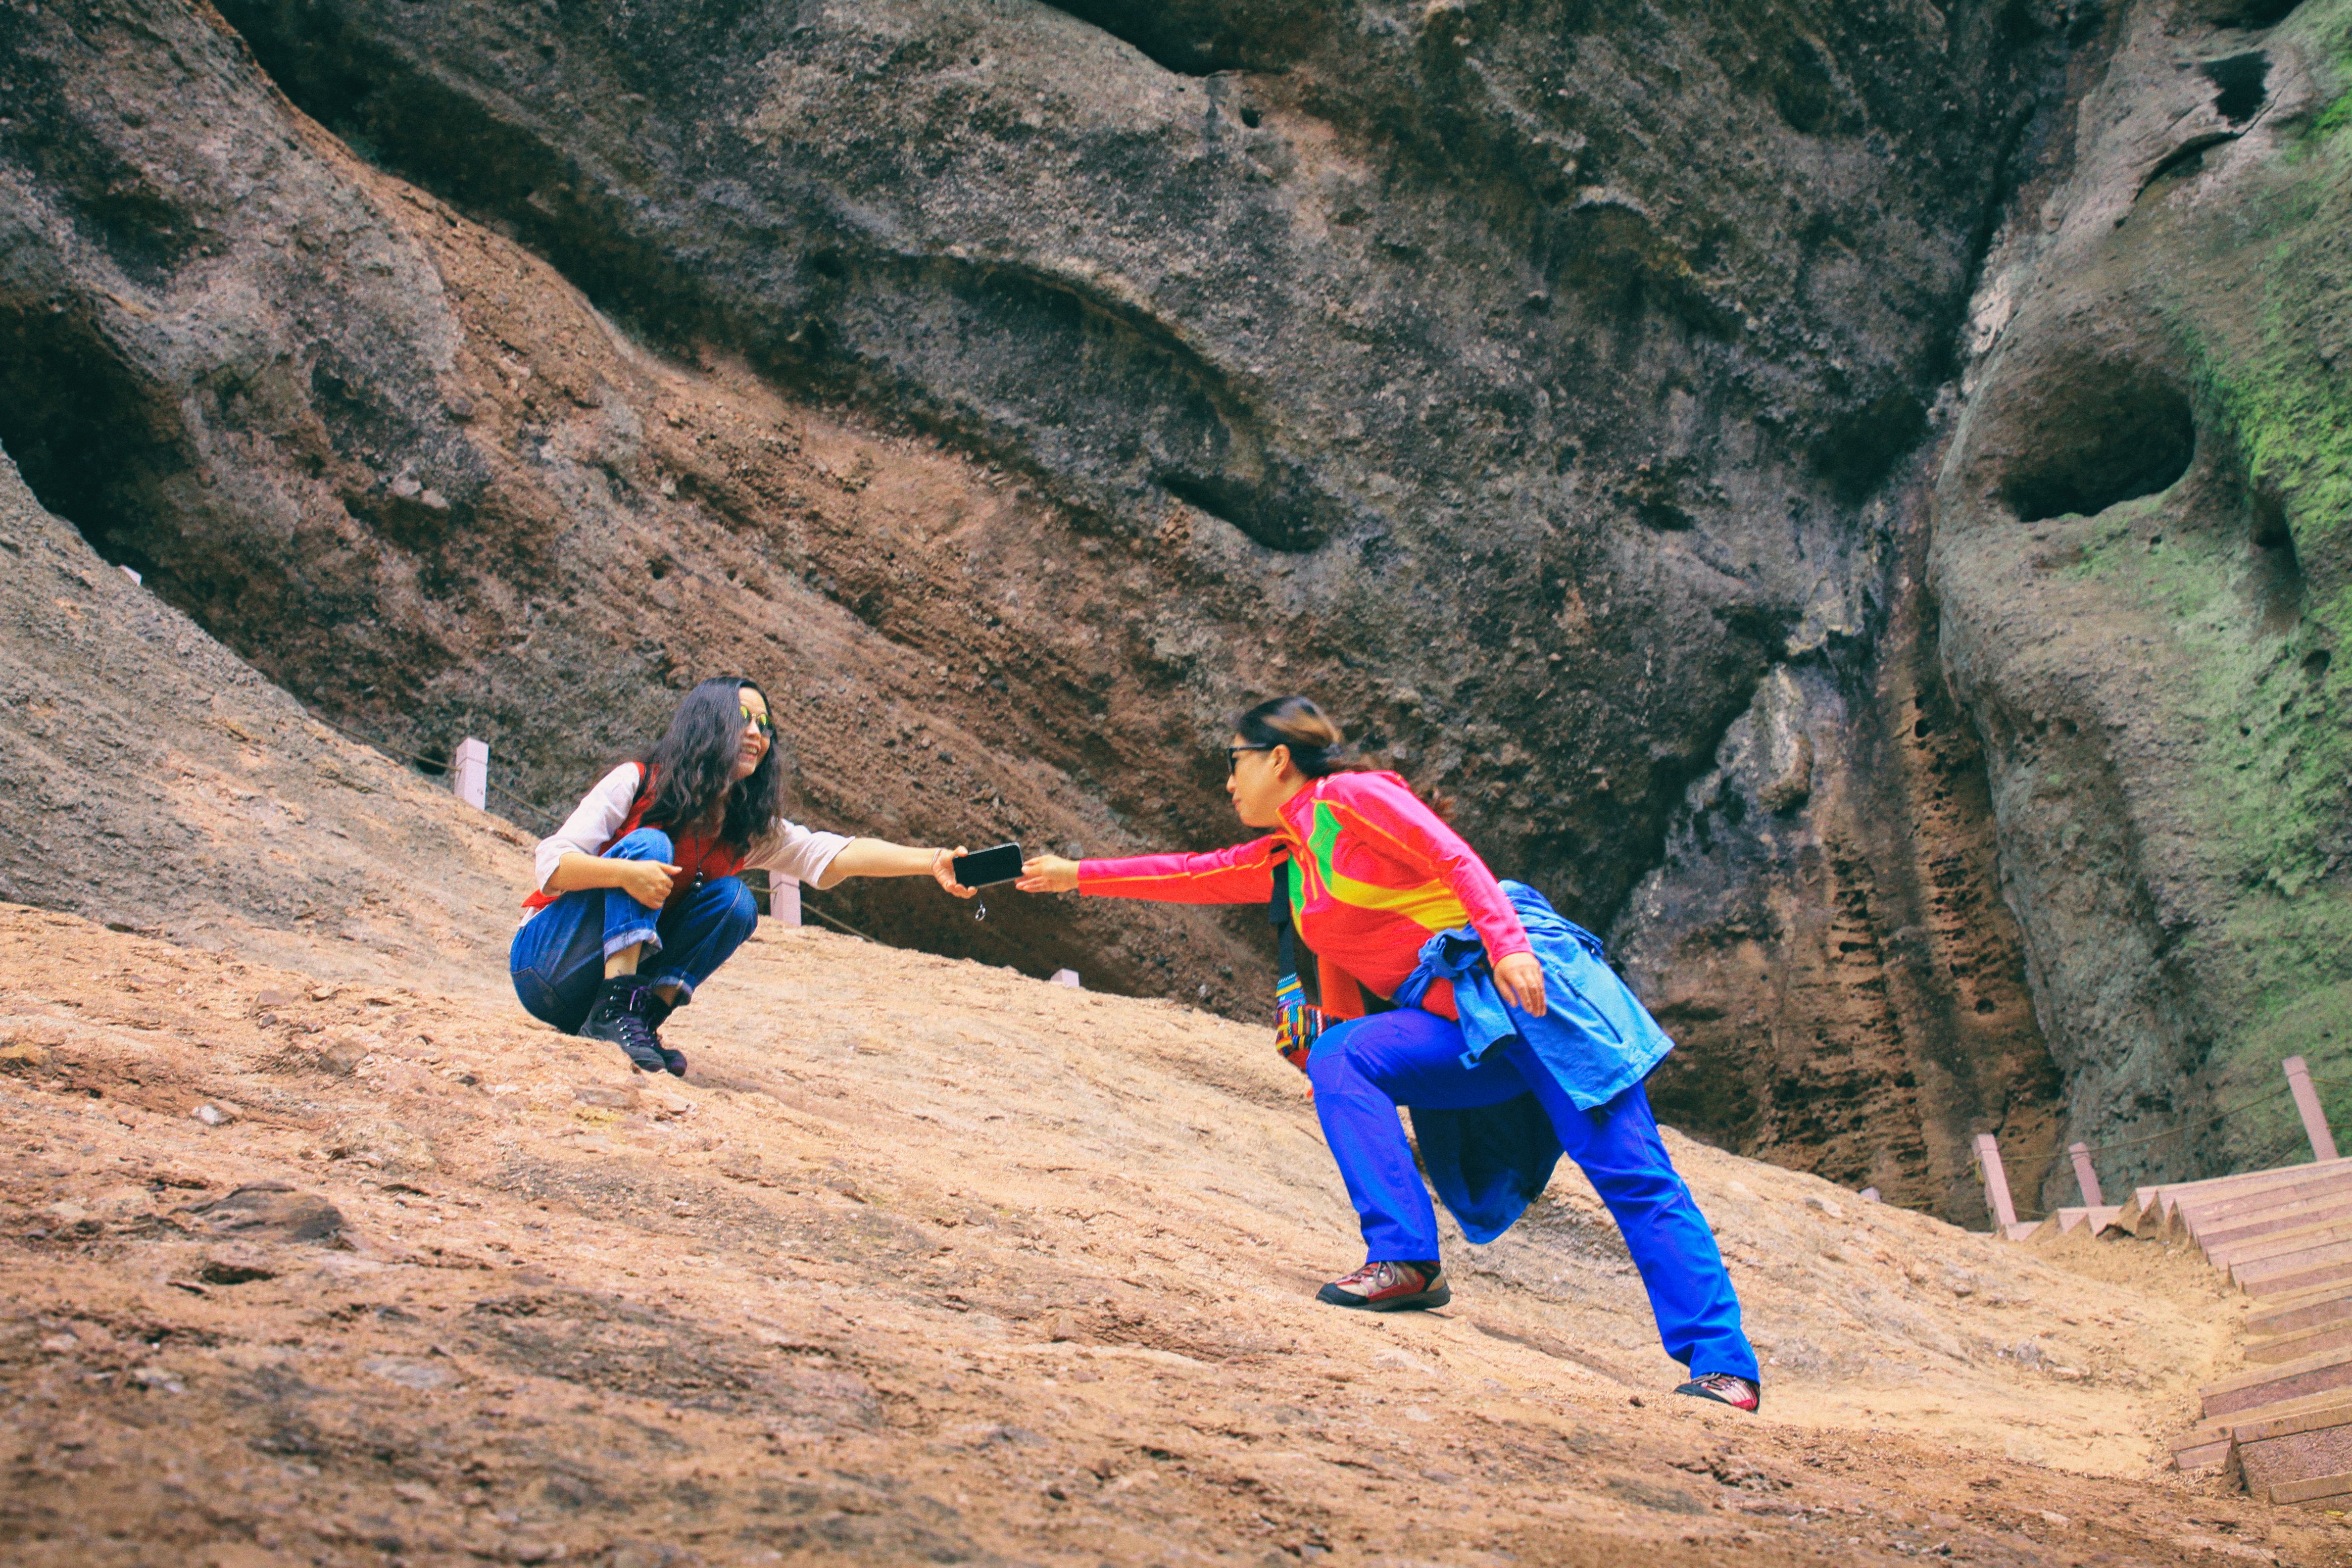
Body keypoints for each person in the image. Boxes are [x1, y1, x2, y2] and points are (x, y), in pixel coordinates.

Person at [1016, 695, 1761, 1411]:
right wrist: (1071, 876)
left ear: (1278, 760)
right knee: (1342, 1055)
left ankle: (1724, 1367)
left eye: (1234, 762)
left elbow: (1455, 858)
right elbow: (1191, 873)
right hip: (1467, 1028)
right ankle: (1405, 1260)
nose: (1227, 780)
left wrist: (1508, 947)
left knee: (1633, 1175)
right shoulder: (1291, 857)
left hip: (1533, 993)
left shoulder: (1351, 797)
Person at [511, 675, 973, 1075]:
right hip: (548, 966)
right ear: (707, 725)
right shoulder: (637, 781)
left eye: (765, 725)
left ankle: (639, 1021)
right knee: (651, 847)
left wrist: (930, 860)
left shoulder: (745, 828)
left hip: (583, 1005)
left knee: (735, 901)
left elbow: (833, 855)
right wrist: (626, 875)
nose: (756, 733)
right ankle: (616, 1007)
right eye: (743, 720)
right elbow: (552, 865)